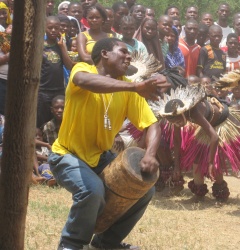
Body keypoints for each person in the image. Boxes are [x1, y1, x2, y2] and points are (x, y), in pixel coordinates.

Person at [49, 37, 169, 250]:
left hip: (100, 157)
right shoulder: (83, 69)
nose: (128, 56)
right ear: (104, 53)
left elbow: (152, 125)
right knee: (92, 191)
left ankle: (105, 244)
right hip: (66, 154)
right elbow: (85, 82)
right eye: (122, 51)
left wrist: (150, 154)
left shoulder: (129, 88)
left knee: (143, 189)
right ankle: (71, 245)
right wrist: (134, 86)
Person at [149, 84, 240, 202]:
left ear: (182, 113)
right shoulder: (175, 116)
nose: (177, 124)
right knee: (196, 160)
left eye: (178, 121)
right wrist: (177, 166)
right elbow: (177, 140)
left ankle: (221, 193)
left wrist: (210, 162)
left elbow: (214, 137)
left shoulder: (194, 113)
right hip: (208, 127)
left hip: (221, 124)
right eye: (174, 122)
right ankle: (199, 194)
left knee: (215, 162)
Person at [37, 16, 74, 128]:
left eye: (56, 28)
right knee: (41, 120)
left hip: (58, 90)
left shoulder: (61, 45)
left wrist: (63, 47)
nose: (53, 30)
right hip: (43, 90)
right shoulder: (40, 46)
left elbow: (69, 65)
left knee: (60, 120)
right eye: (50, 28)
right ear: (44, 28)